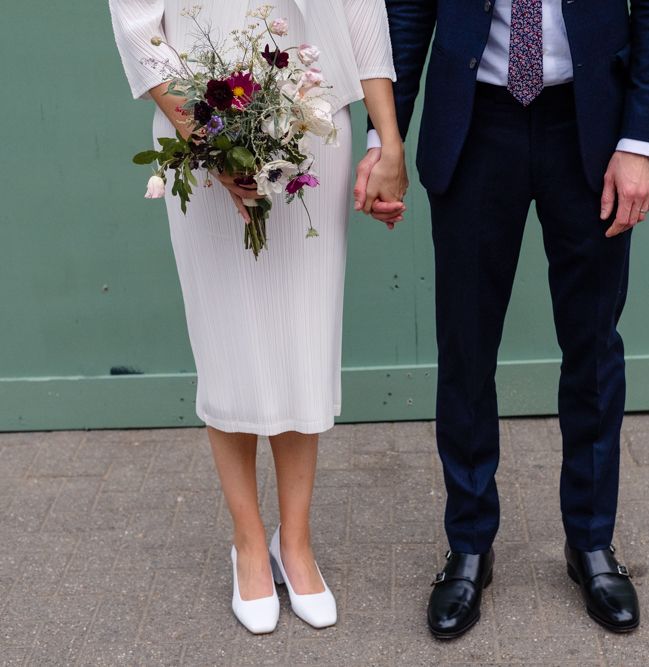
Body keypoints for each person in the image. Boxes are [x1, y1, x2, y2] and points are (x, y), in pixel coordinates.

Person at [357, 0, 649, 639]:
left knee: (592, 346)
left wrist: (641, 142)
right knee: (466, 348)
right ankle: (469, 544)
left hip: (588, 122)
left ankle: (591, 542)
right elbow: (405, 11)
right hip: (474, 121)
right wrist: (383, 135)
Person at [109, 0, 407, 635]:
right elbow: (139, 28)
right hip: (199, 123)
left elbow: (363, 11)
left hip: (314, 118)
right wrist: (209, 144)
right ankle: (248, 541)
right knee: (229, 343)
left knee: (305, 336)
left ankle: (293, 542)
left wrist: (390, 138)